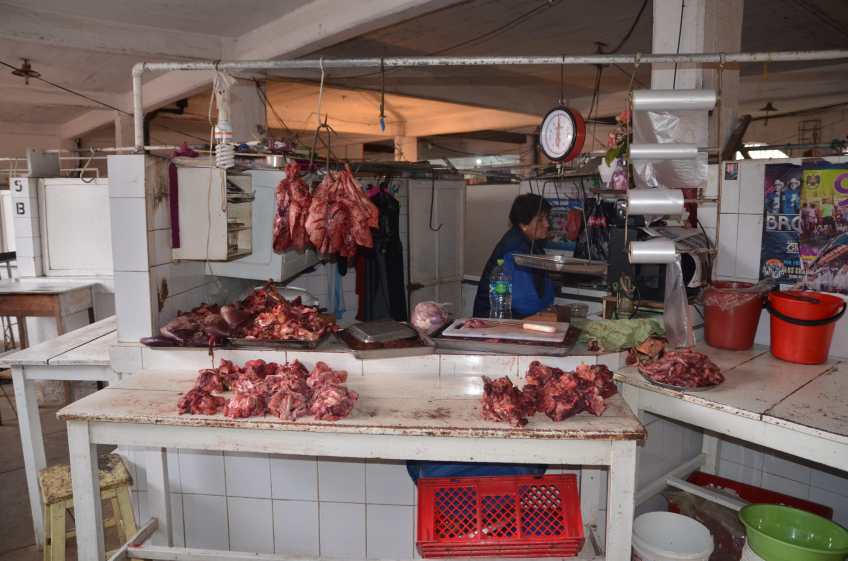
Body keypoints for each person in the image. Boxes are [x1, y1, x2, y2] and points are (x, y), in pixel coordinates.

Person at [473, 194, 556, 318]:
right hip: (495, 322)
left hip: (514, 318)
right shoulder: (514, 249)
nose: (547, 224)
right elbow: (523, 302)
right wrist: (546, 311)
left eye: (547, 218)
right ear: (523, 224)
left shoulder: (532, 244)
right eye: (540, 220)